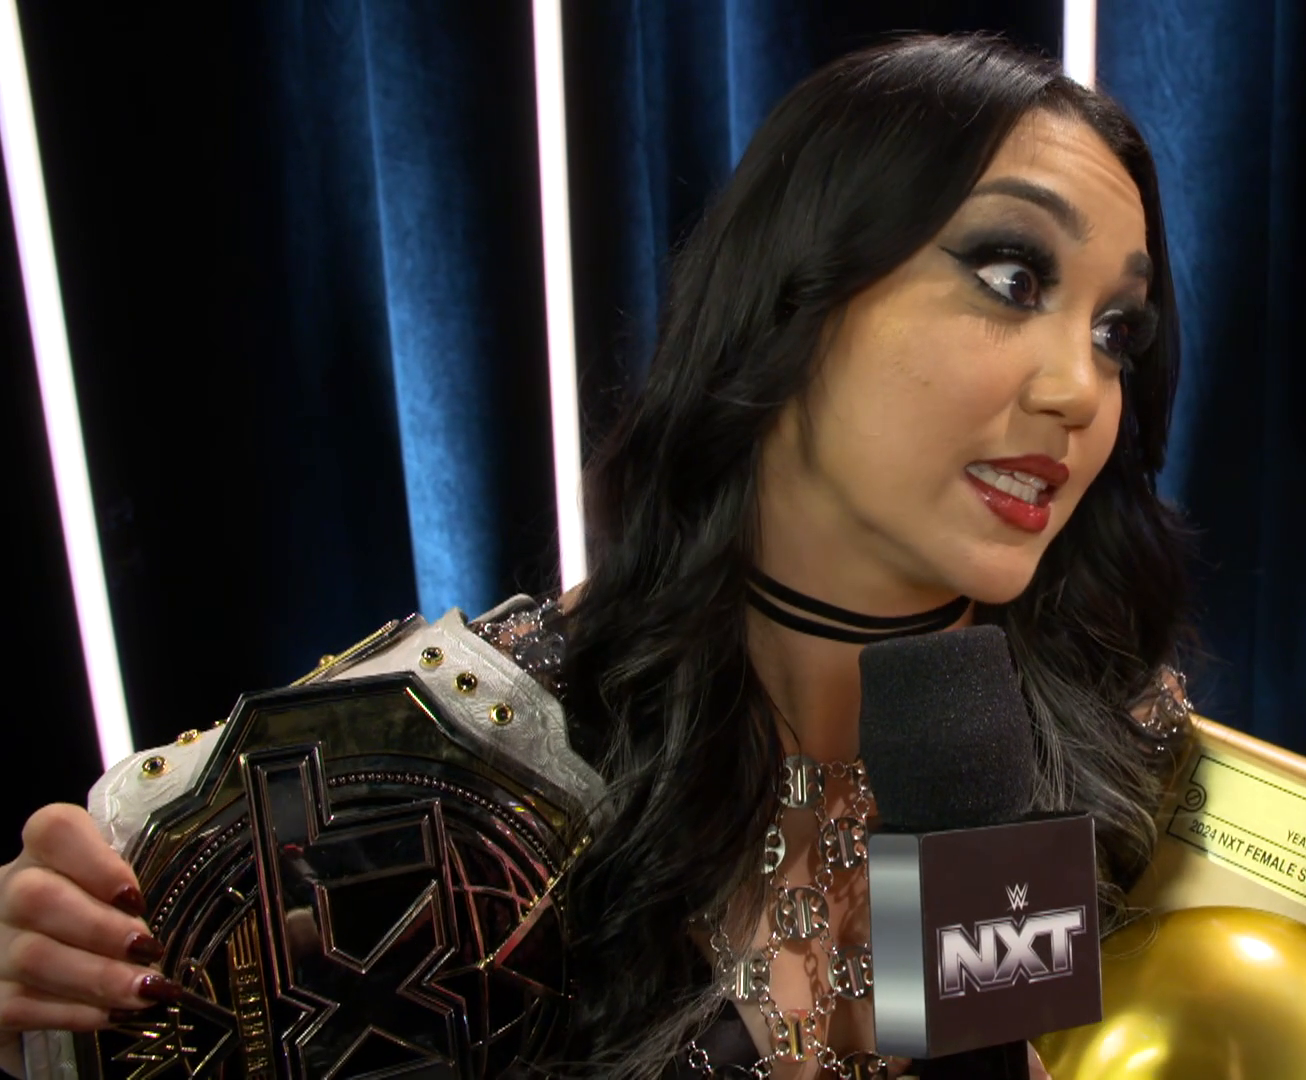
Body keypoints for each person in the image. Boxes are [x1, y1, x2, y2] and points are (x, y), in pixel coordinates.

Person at [0, 34, 1193, 1080]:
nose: (1079, 390)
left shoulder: (1085, 736)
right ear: (791, 288)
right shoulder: (419, 804)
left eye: (1115, 332)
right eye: (1011, 276)